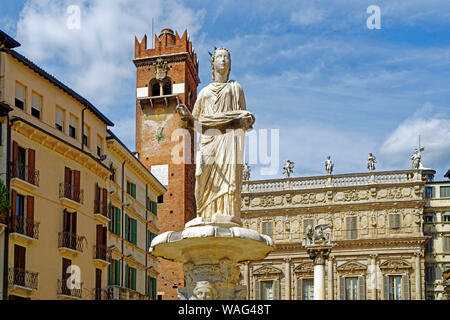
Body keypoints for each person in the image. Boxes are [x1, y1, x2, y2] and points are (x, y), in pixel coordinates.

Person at [176, 48, 254, 224]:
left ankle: (226, 212)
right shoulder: (204, 92)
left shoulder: (236, 89)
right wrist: (185, 115)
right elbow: (194, 122)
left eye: (226, 57)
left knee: (229, 178)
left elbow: (242, 116)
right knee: (201, 175)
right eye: (219, 57)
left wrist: (245, 119)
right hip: (208, 140)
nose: (223, 60)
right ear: (213, 64)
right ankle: (203, 213)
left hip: (228, 140)